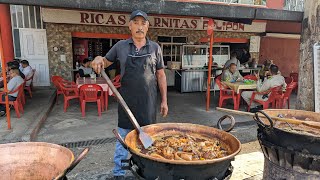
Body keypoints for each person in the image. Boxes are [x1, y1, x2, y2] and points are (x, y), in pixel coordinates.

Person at [90, 10, 168, 180]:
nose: (139, 26)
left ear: (147, 26)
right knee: (123, 138)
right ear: (130, 25)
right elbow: (104, 61)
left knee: (147, 139)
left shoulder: (155, 47)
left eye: (143, 23)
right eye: (136, 22)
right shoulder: (120, 46)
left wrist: (164, 101)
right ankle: (119, 172)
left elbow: (161, 75)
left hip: (148, 102)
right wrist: (97, 58)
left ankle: (145, 170)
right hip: (126, 101)